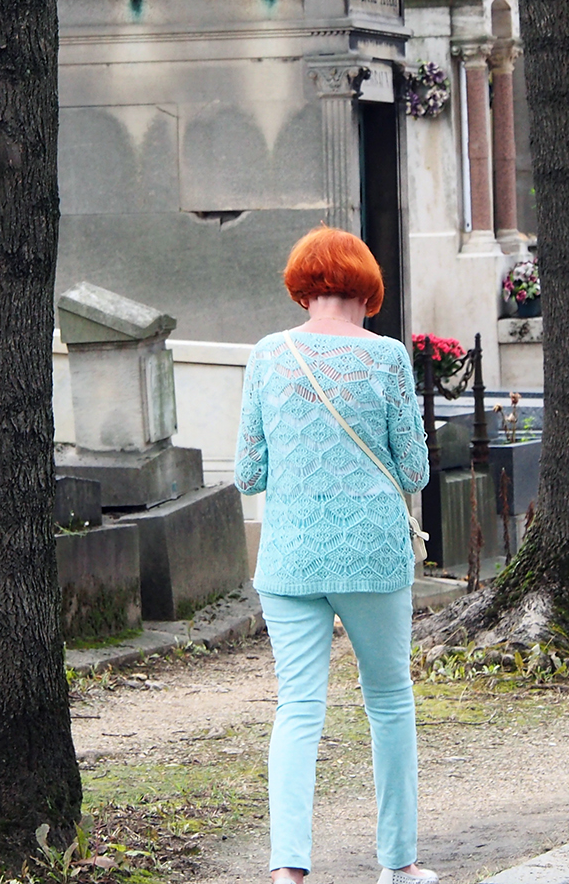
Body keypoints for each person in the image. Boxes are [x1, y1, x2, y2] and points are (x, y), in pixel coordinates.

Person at [235, 226, 436, 884]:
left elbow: (247, 474)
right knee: (388, 701)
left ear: (304, 288)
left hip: (290, 556)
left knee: (297, 707)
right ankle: (398, 865)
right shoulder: (385, 359)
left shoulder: (268, 355)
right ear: (367, 289)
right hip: (371, 555)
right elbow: (414, 469)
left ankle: (288, 870)